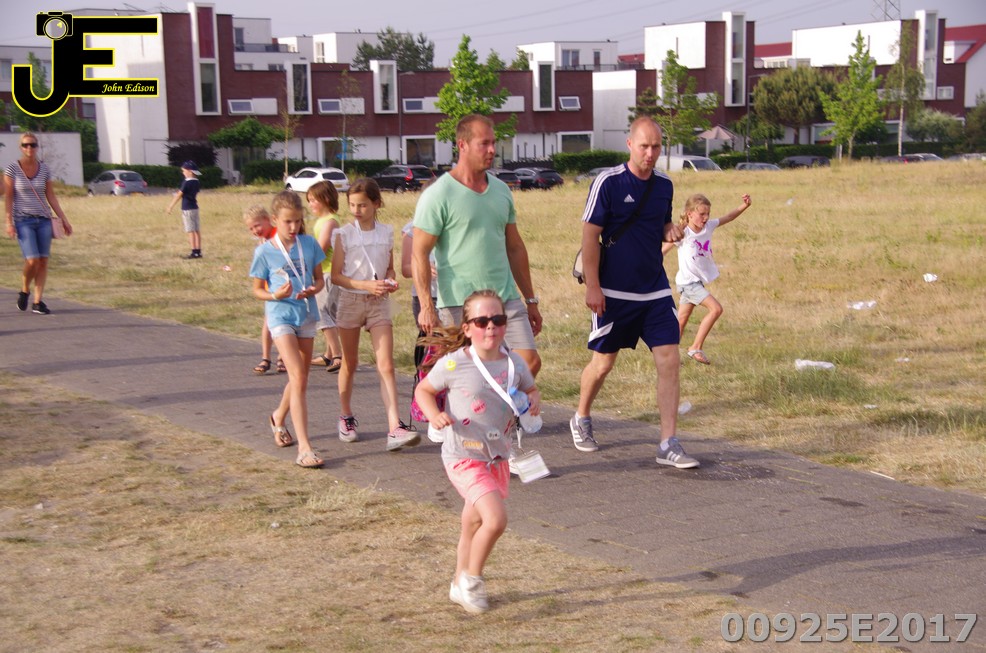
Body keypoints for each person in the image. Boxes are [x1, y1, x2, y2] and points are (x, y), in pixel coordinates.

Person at [569, 116, 699, 469]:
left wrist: (669, 230)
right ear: (630, 144)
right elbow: (590, 236)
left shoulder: (664, 185)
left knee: (669, 358)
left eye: (656, 147)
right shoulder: (608, 182)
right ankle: (581, 416)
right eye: (644, 146)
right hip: (613, 292)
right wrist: (593, 287)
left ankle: (668, 443)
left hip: (654, 290)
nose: (650, 153)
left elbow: (659, 223)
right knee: (603, 363)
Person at [414, 289, 539, 614]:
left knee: (472, 524)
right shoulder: (454, 363)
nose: (491, 327)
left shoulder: (514, 363)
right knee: (495, 520)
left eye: (497, 319)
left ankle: (458, 584)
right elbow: (424, 390)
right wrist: (434, 415)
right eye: (482, 321)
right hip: (463, 457)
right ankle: (472, 579)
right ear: (467, 328)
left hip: (496, 457)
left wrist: (533, 400)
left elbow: (530, 388)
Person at [411, 114, 543, 378]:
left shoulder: (501, 190)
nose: (492, 150)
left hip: (505, 297)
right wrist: (426, 306)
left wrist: (530, 300)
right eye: (484, 143)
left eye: (493, 143)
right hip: (459, 303)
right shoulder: (438, 194)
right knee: (464, 376)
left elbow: (515, 248)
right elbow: (419, 253)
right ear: (462, 145)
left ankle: (495, 403)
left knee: (529, 363)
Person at [331, 178, 420, 452]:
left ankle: (395, 426)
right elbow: (336, 276)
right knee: (350, 363)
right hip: (350, 301)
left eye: (362, 205)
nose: (356, 210)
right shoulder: (344, 234)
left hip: (379, 302)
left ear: (377, 204)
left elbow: (390, 268)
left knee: (386, 365)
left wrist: (389, 280)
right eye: (352, 205)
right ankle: (346, 416)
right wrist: (364, 285)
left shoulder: (386, 232)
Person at [249, 190, 325, 468]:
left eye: (298, 221)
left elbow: (319, 279)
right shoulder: (265, 251)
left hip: (306, 313)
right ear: (274, 220)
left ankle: (278, 417)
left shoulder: (309, 244)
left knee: (300, 378)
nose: (293, 227)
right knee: (297, 375)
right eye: (287, 222)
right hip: (280, 315)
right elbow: (257, 290)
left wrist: (313, 289)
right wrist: (275, 295)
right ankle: (305, 448)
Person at [662, 193, 752, 365]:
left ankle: (668, 357)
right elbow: (663, 251)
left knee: (681, 321)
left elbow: (729, 217)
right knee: (716, 309)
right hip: (688, 283)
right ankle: (695, 347)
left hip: (695, 282)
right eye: (701, 214)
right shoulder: (683, 232)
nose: (705, 218)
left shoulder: (708, 227)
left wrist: (745, 205)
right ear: (690, 214)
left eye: (708, 214)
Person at [5, 132, 72, 315]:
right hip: (23, 220)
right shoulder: (12, 168)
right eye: (26, 145)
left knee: (43, 261)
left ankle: (37, 302)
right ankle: (24, 289)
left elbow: (51, 196)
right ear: (21, 147)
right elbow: (9, 197)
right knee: (32, 259)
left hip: (43, 220)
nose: (30, 148)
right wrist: (8, 222)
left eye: (33, 145)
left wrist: (64, 219)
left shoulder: (44, 169)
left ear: (37, 147)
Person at [243, 204, 286, 375]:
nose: (255, 230)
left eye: (257, 225)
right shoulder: (263, 241)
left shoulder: (278, 236)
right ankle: (266, 357)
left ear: (268, 220)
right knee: (268, 323)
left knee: (283, 324)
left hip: (284, 286)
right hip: (270, 290)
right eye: (251, 228)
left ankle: (282, 357)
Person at [306, 181, 344, 374]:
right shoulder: (324, 220)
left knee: (322, 312)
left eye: (314, 200)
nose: (310, 204)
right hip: (326, 271)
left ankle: (337, 354)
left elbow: (321, 248)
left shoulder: (330, 221)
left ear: (326, 199)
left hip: (328, 272)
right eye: (309, 200)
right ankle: (329, 354)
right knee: (329, 312)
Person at [165, 160, 203, 259]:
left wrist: (170, 206)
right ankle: (198, 251)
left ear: (190, 171)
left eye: (184, 171)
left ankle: (194, 252)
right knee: (197, 230)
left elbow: (179, 195)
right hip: (195, 207)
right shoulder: (197, 182)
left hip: (187, 208)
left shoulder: (186, 182)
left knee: (190, 231)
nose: (183, 173)